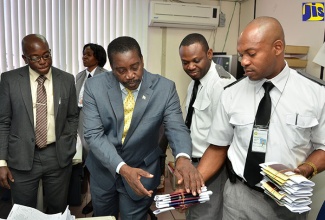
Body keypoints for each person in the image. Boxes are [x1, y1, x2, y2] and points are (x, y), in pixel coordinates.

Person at [197, 16, 325, 220]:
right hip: (239, 197)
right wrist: (194, 183)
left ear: (277, 47)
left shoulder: (316, 94)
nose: (244, 61)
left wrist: (306, 169)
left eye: (251, 53)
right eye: (241, 54)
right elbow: (218, 146)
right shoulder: (231, 93)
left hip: (287, 202)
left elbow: (323, 146)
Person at [82, 36, 204, 219]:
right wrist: (122, 168)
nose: (130, 75)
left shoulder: (165, 88)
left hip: (142, 170)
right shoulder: (94, 86)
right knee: (103, 217)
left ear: (142, 60)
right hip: (103, 171)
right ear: (111, 68)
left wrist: (183, 158)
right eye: (121, 70)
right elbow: (93, 134)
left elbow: (176, 127)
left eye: (135, 67)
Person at [0, 34, 79, 213]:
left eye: (46, 55)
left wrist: (69, 143)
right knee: (23, 210)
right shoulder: (10, 80)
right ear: (25, 58)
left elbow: (73, 116)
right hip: (21, 156)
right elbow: (3, 121)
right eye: (35, 58)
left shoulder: (66, 79)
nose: (43, 61)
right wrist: (1, 162)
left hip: (57, 155)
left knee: (58, 209)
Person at [179, 33, 236, 220]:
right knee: (194, 214)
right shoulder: (196, 81)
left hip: (212, 167)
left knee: (205, 216)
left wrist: (199, 173)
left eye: (196, 60)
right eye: (185, 62)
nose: (190, 67)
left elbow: (224, 140)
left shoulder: (221, 84)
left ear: (209, 53)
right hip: (194, 162)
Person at [75, 43, 108, 214]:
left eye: (88, 54)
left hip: (98, 123)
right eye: (83, 54)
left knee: (98, 165)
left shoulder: (106, 76)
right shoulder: (79, 76)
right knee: (86, 165)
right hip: (81, 122)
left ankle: (100, 201)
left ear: (98, 57)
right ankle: (93, 199)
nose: (84, 57)